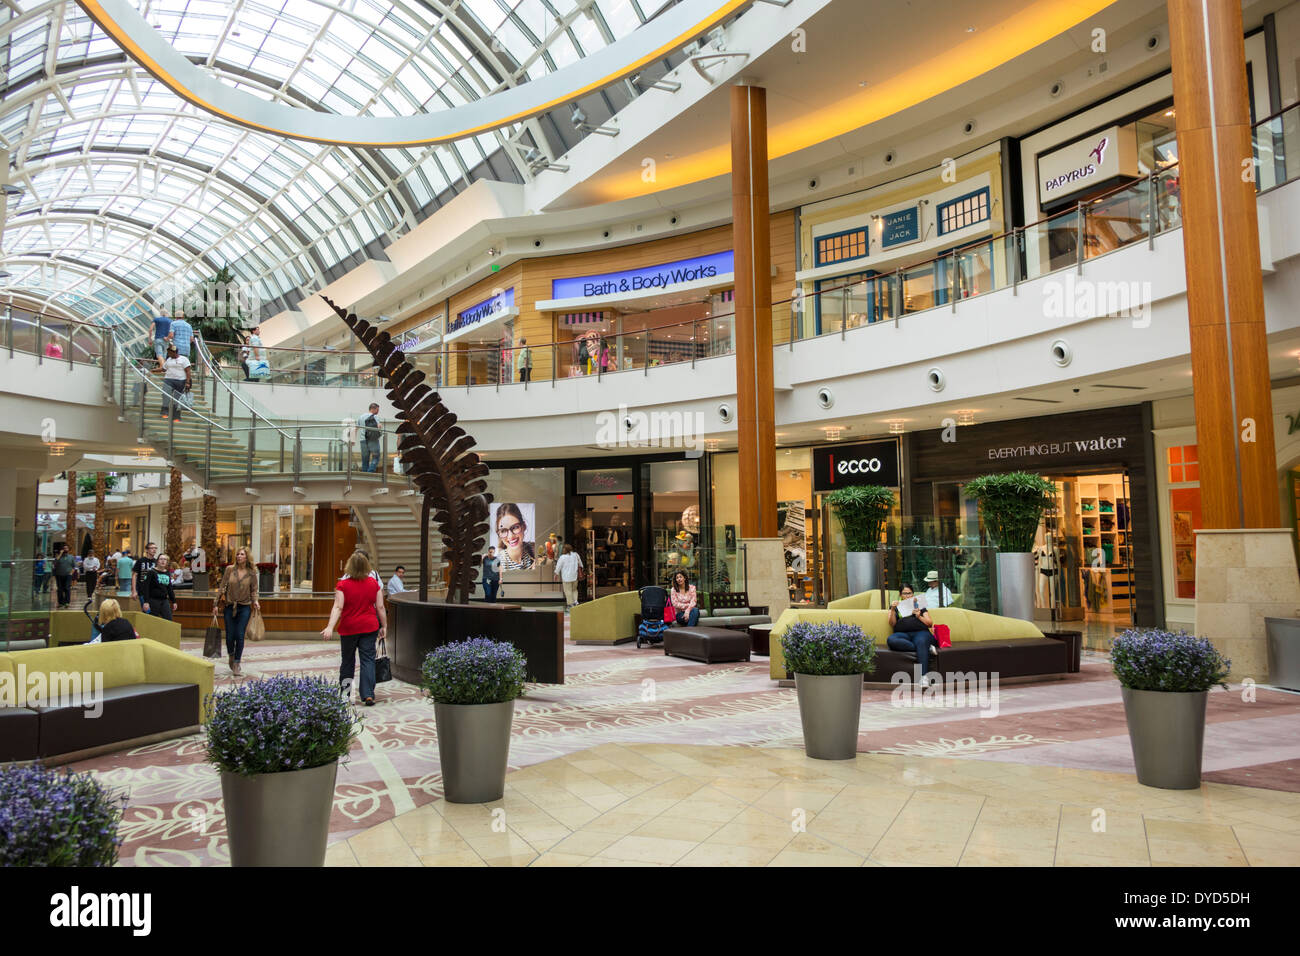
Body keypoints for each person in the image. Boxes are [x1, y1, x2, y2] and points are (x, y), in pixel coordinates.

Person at [321, 551, 387, 707]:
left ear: (349, 566)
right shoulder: (374, 584)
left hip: (349, 628)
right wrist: (384, 625)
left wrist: (330, 626)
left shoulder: (342, 585)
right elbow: (380, 606)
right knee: (368, 660)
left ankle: (346, 695)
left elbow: (338, 607)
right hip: (369, 626)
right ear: (367, 566)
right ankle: (368, 695)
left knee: (347, 661)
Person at [213, 546, 260, 677]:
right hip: (229, 606)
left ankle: (237, 663)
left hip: (244, 607)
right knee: (229, 636)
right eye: (238, 554)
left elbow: (254, 590)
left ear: (247, 557)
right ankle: (231, 655)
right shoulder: (230, 570)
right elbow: (222, 587)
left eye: (242, 554)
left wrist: (255, 601)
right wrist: (215, 603)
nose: (239, 556)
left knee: (239, 635)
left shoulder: (251, 572)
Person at [887, 584, 939, 677]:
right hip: (902, 634)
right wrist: (892, 610)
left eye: (909, 593)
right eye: (905, 593)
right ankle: (927, 648)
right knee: (891, 640)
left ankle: (923, 677)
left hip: (921, 633)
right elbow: (892, 624)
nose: (907, 596)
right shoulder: (895, 606)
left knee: (921, 641)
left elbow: (929, 623)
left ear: (913, 594)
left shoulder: (919, 605)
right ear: (900, 594)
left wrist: (919, 616)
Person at [495, 503, 535, 569]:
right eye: (503, 531)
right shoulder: (498, 563)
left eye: (515, 527)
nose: (510, 536)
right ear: (499, 534)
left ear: (524, 526)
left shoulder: (533, 548)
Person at [140, 553, 176, 621]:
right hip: (153, 600)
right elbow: (146, 588)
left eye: (165, 559)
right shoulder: (151, 572)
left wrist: (174, 601)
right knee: (153, 621)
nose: (163, 561)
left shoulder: (167, 573)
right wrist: (146, 602)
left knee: (169, 620)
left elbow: (169, 588)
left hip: (164, 600)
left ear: (167, 562)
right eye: (161, 559)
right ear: (157, 561)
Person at [160, 344, 192, 422]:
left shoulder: (184, 359)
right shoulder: (169, 360)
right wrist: (153, 370)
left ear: (174, 352)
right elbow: (164, 369)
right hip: (168, 380)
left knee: (177, 399)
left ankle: (176, 416)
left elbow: (188, 371)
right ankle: (165, 410)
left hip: (180, 381)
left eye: (169, 353)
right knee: (165, 394)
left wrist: (187, 382)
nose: (168, 354)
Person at [553, 543, 583, 609]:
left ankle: (570, 604)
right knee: (574, 590)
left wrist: (556, 574)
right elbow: (581, 564)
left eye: (563, 548)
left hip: (566, 578)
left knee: (568, 591)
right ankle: (575, 601)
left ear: (565, 549)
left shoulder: (562, 557)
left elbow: (558, 566)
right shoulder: (576, 555)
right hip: (574, 576)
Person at [358, 402, 382, 473]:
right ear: (373, 409)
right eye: (377, 410)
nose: (378, 411)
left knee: (365, 460)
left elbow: (357, 427)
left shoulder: (361, 417)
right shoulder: (375, 416)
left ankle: (365, 475)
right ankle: (370, 472)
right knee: (376, 457)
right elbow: (379, 427)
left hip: (363, 440)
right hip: (373, 440)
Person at [132, 542, 158, 608]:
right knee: (146, 610)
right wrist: (134, 591)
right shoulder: (141, 561)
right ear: (147, 550)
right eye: (152, 548)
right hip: (142, 590)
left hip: (154, 591)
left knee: (154, 610)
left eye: (155, 548)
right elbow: (134, 575)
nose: (154, 550)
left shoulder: (156, 562)